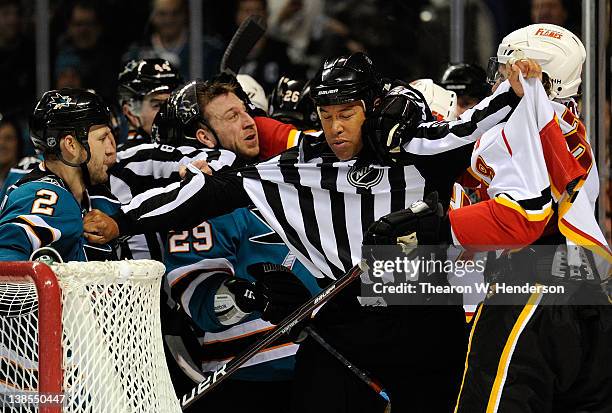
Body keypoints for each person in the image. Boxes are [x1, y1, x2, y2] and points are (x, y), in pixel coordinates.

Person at [83, 51, 531, 412]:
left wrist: (516, 91)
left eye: (347, 113)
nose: (335, 128)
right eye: (326, 114)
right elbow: (215, 192)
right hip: (345, 323)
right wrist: (124, 219)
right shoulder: (302, 165)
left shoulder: (418, 148)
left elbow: (475, 126)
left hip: (429, 323)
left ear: (372, 107)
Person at [367, 24, 611, 413]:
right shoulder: (567, 123)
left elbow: (524, 216)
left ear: (535, 75)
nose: (498, 80)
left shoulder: (520, 125)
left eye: (507, 70)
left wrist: (440, 229)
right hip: (591, 291)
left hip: (535, 288)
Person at [153, 87, 319, 412]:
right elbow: (198, 296)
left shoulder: (281, 182)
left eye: (246, 111)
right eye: (233, 116)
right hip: (249, 377)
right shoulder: (198, 200)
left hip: (317, 363)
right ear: (205, 136)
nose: (249, 121)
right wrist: (249, 297)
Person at [0, 89, 115, 262]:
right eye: (102, 138)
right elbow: (6, 260)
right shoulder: (46, 195)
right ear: (70, 145)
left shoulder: (93, 196)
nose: (111, 150)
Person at [123, 0, 223, 81]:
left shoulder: (208, 51)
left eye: (175, 13)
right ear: (152, 16)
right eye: (162, 14)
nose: (169, 20)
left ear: (185, 14)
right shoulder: (136, 54)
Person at [117, 58, 182, 145]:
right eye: (157, 105)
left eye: (174, 103)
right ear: (130, 113)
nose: (170, 112)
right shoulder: (119, 157)